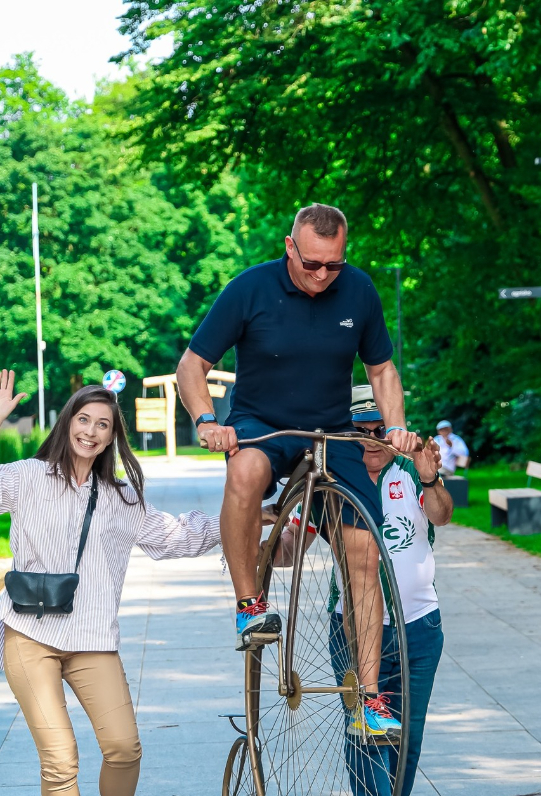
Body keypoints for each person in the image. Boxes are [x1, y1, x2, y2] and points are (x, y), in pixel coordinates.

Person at [0, 371, 223, 796]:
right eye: (83, 419)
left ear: (112, 436)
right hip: (30, 632)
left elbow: (176, 537)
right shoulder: (27, 477)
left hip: (92, 635)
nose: (91, 432)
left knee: (123, 746)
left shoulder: (120, 497)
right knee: (60, 758)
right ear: (67, 421)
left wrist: (247, 519)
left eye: (103, 425)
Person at [176, 202, 419, 738]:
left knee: (364, 551)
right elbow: (192, 366)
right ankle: (248, 605)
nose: (321, 275)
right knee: (243, 474)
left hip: (331, 432)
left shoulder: (358, 290)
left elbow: (381, 369)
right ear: (290, 246)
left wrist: (396, 426)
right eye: (311, 263)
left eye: (332, 265)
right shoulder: (250, 289)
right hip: (262, 424)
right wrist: (207, 420)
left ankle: (368, 699)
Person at [279, 385, 452, 796]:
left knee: (408, 736)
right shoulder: (334, 482)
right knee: (364, 727)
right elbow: (296, 547)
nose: (373, 439)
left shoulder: (408, 470)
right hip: (350, 627)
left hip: (419, 625)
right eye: (361, 431)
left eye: (381, 429)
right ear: (344, 434)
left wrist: (433, 480)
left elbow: (442, 515)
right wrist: (268, 546)